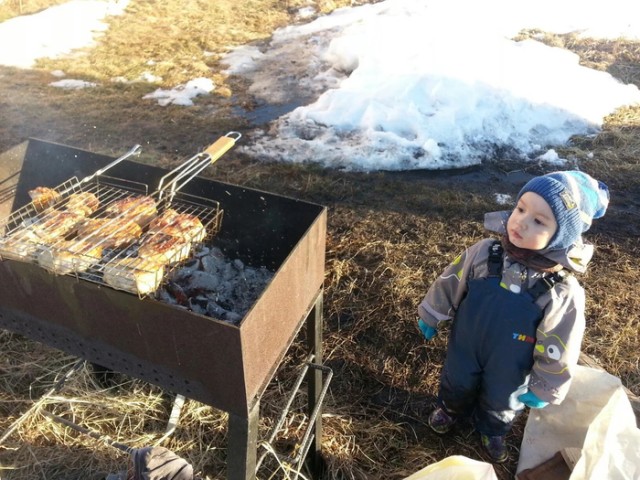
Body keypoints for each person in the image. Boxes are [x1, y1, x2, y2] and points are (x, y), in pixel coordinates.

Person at [416, 171, 609, 463]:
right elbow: (450, 281)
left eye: (539, 221)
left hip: (513, 361)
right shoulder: (484, 253)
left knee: (504, 395)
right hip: (467, 343)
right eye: (521, 209)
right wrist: (432, 313)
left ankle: (492, 429)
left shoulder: (562, 291)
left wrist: (547, 383)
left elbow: (562, 341)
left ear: (562, 236)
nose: (521, 221)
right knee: (457, 377)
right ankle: (450, 409)